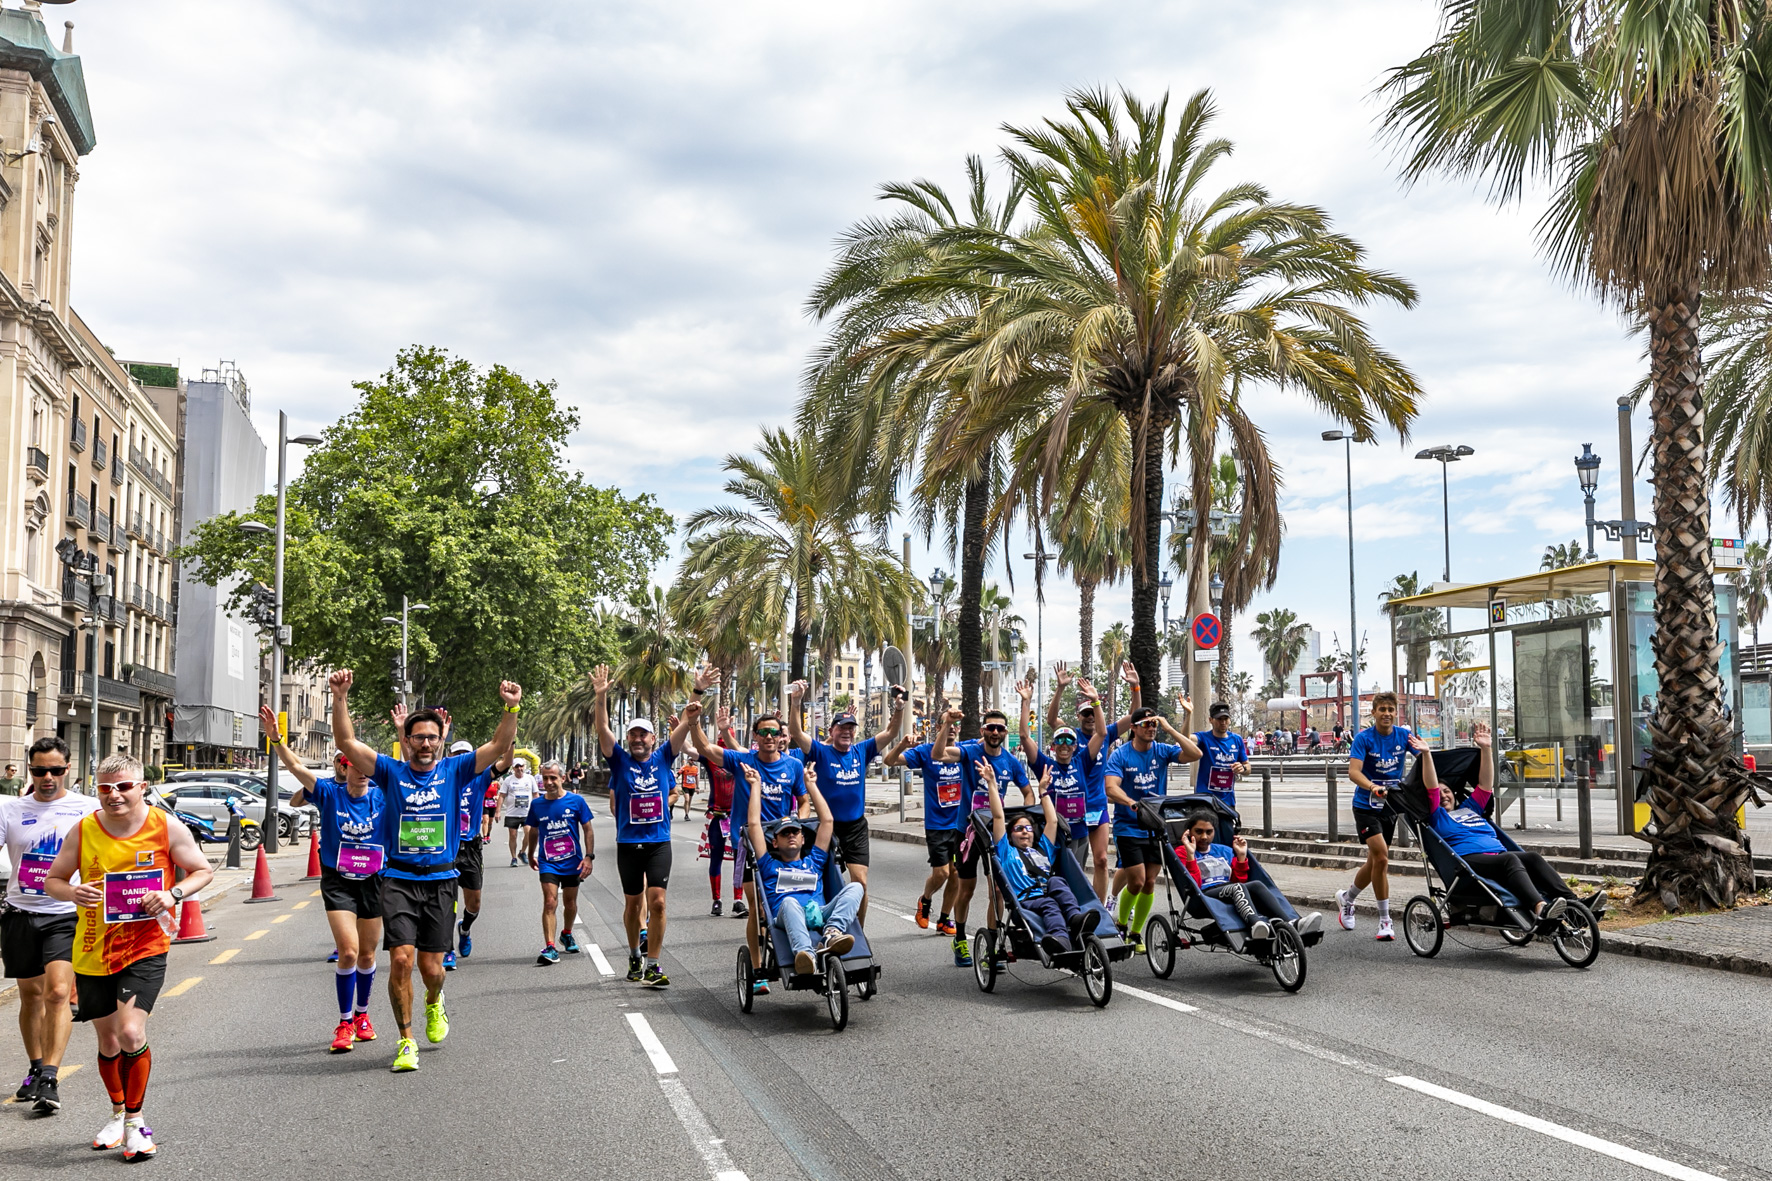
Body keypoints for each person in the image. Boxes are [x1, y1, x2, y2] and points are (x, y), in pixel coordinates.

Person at [331, 669, 521, 1073]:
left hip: (441, 881)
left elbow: (501, 744)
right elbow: (346, 742)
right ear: (408, 740)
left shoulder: (456, 771)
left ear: (441, 740)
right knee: (401, 960)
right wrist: (340, 697)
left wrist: (510, 707)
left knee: (431, 969)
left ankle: (435, 1001)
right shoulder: (389, 771)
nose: (426, 743)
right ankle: (406, 1039)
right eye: (418, 736)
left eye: (432, 736)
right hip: (398, 879)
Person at [43, 754, 214, 1162]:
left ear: (142, 787)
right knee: (107, 1039)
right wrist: (73, 893)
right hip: (92, 948)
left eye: (123, 787)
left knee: (131, 1033)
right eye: (105, 788)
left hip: (145, 945)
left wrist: (172, 894)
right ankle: (117, 1113)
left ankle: (137, 1123)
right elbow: (53, 880)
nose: (114, 795)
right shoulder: (84, 829)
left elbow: (202, 871)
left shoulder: (165, 826)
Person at [264, 703, 386, 1053]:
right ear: (342, 767)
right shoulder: (329, 794)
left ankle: (363, 1015)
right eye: (353, 765)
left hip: (375, 880)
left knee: (367, 954)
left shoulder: (382, 795)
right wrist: (277, 741)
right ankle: (345, 1021)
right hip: (339, 881)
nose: (361, 772)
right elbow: (296, 767)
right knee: (347, 952)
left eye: (366, 767)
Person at [594, 663, 715, 987]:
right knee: (634, 904)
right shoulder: (619, 760)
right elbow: (603, 729)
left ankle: (653, 964)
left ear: (653, 738)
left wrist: (698, 689)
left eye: (642, 734)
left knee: (658, 901)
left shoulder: (664, 756)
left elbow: (689, 720)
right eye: (632, 734)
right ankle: (634, 953)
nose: (637, 739)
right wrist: (601, 696)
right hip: (628, 844)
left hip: (659, 842)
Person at [0, 736, 98, 1113]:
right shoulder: (11, 809)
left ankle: (51, 1078)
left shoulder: (88, 809)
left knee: (58, 992)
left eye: (55, 770)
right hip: (21, 913)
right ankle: (35, 1067)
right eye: (39, 770)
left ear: (68, 769)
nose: (47, 777)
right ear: (30, 770)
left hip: (66, 915)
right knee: (31, 997)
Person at [688, 703, 807, 993]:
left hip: (782, 845)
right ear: (754, 736)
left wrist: (796, 825)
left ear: (781, 736)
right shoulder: (743, 761)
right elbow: (705, 748)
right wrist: (694, 722)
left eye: (774, 732)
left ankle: (800, 949)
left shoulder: (793, 765)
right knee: (758, 907)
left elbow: (803, 801)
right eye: (763, 732)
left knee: (795, 899)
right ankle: (757, 968)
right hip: (750, 845)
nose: (769, 737)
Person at [1422, 723, 1581, 925]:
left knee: (1531, 857)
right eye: (1440, 792)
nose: (1444, 795)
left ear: (1454, 794)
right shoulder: (1437, 816)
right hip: (1468, 861)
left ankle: (1576, 907)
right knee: (1510, 861)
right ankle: (1540, 907)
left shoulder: (1470, 809)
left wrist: (1486, 749)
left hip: (1497, 856)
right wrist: (1427, 754)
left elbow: (1485, 785)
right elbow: (1431, 787)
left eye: (1447, 791)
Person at [786, 677, 906, 927]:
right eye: (842, 727)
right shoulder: (820, 751)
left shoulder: (862, 750)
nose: (847, 731)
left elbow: (892, 732)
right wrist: (795, 701)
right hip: (826, 828)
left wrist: (899, 708)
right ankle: (818, 925)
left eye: (851, 727)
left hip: (855, 828)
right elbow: (796, 733)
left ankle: (857, 935)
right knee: (818, 881)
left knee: (860, 883)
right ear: (832, 731)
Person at [931, 706, 1032, 968]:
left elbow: (1028, 793)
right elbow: (938, 754)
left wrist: (1023, 822)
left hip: (994, 832)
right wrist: (946, 724)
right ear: (983, 731)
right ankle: (961, 939)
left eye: (1000, 728)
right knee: (966, 890)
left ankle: (992, 946)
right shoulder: (969, 751)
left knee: (997, 891)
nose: (995, 732)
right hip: (965, 832)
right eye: (990, 728)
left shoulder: (1010, 761)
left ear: (1005, 732)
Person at [741, 762, 862, 977]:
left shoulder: (814, 860)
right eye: (785, 833)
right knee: (789, 902)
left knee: (856, 887)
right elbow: (754, 825)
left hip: (819, 912)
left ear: (802, 837)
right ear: (775, 842)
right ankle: (805, 956)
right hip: (785, 915)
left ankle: (832, 932)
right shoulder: (769, 865)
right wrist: (756, 786)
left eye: (795, 832)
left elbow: (827, 821)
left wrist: (811, 785)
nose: (790, 835)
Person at [1103, 707, 1201, 952]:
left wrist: (1169, 729)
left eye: (1154, 724)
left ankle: (1136, 933)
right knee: (1135, 881)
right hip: (1128, 826)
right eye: (1146, 724)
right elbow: (1110, 788)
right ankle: (1122, 924)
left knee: (1149, 883)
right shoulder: (1121, 755)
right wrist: (1131, 803)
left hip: (1156, 826)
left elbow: (1195, 753)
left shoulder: (1161, 750)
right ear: (1134, 728)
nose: (1151, 728)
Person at [984, 759, 1096, 956]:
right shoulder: (1006, 851)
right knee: (1050, 903)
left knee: (1057, 881)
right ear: (1011, 835)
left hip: (1048, 892)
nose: (1025, 832)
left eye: (1028, 828)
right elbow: (999, 817)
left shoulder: (1043, 848)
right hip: (1025, 900)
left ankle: (1075, 918)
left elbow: (1052, 820)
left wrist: (1043, 791)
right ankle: (1061, 939)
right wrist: (992, 784)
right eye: (1019, 829)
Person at [1049, 661, 1141, 901]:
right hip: (1072, 809)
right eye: (1085, 713)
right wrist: (1060, 688)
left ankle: (1099, 908)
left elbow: (1133, 716)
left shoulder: (1106, 732)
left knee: (1101, 860)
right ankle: (1071, 903)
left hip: (1097, 806)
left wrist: (1135, 688)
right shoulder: (1070, 736)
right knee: (1072, 864)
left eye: (1093, 712)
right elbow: (1051, 720)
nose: (1090, 717)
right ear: (1079, 715)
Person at [1338, 690, 1411, 941]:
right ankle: (1385, 921)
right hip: (1366, 806)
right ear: (1374, 712)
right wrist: (1372, 786)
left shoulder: (1404, 736)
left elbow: (1425, 758)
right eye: (1382, 710)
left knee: (1375, 862)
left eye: (1391, 710)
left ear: (1396, 713)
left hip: (1390, 807)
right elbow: (1353, 772)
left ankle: (1347, 899)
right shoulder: (1364, 739)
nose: (1387, 714)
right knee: (1381, 857)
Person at [1169, 811, 1312, 940]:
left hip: (1230, 888)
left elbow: (1238, 880)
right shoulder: (1182, 852)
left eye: (1209, 832)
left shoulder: (1225, 850)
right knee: (1236, 888)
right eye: (1198, 831)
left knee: (1256, 885)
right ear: (1189, 832)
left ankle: (1291, 922)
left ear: (1214, 832)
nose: (1204, 837)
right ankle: (1255, 924)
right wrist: (1191, 854)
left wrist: (1242, 856)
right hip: (1203, 895)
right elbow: (1194, 884)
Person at [886, 707, 963, 940]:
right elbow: (890, 761)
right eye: (946, 724)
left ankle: (943, 919)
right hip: (937, 825)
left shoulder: (964, 752)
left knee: (957, 874)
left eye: (955, 725)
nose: (951, 729)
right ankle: (925, 899)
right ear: (939, 728)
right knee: (941, 874)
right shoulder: (926, 751)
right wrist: (901, 745)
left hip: (959, 825)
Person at [523, 760, 596, 965]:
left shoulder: (576, 801)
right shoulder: (537, 804)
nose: (549, 782)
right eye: (545, 778)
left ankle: (567, 933)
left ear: (562, 778)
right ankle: (550, 946)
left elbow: (588, 829)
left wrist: (589, 856)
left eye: (553, 778)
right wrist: (530, 854)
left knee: (570, 903)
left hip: (572, 862)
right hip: (549, 862)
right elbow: (534, 830)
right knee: (549, 902)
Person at [447, 737, 511, 968]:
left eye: (467, 754)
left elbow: (505, 763)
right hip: (449, 848)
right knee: (447, 901)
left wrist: (509, 744)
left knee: (474, 904)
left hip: (472, 847)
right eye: (458, 754)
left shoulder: (481, 778)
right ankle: (447, 949)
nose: (462, 758)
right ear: (451, 757)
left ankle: (464, 929)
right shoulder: (445, 777)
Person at [700, 708, 742, 916]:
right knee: (715, 858)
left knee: (740, 858)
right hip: (717, 816)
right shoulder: (710, 758)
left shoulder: (742, 760)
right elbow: (693, 748)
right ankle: (717, 900)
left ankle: (738, 899)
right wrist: (687, 725)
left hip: (737, 818)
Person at [1191, 702, 1251, 809]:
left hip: (1227, 801)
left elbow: (1248, 767)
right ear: (1211, 720)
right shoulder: (1203, 738)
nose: (1223, 722)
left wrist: (1243, 768)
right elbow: (1186, 738)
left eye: (1226, 719)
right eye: (1219, 719)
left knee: (1228, 826)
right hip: (1205, 799)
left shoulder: (1237, 740)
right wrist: (1188, 714)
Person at [499, 758, 540, 868]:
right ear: (513, 768)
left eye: (521, 766)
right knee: (513, 835)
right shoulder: (508, 780)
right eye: (517, 766)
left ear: (524, 766)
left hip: (527, 813)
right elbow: (502, 795)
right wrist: (498, 811)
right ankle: (513, 858)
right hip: (512, 813)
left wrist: (540, 809)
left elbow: (535, 794)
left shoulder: (530, 779)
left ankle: (522, 852)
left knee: (529, 833)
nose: (519, 769)